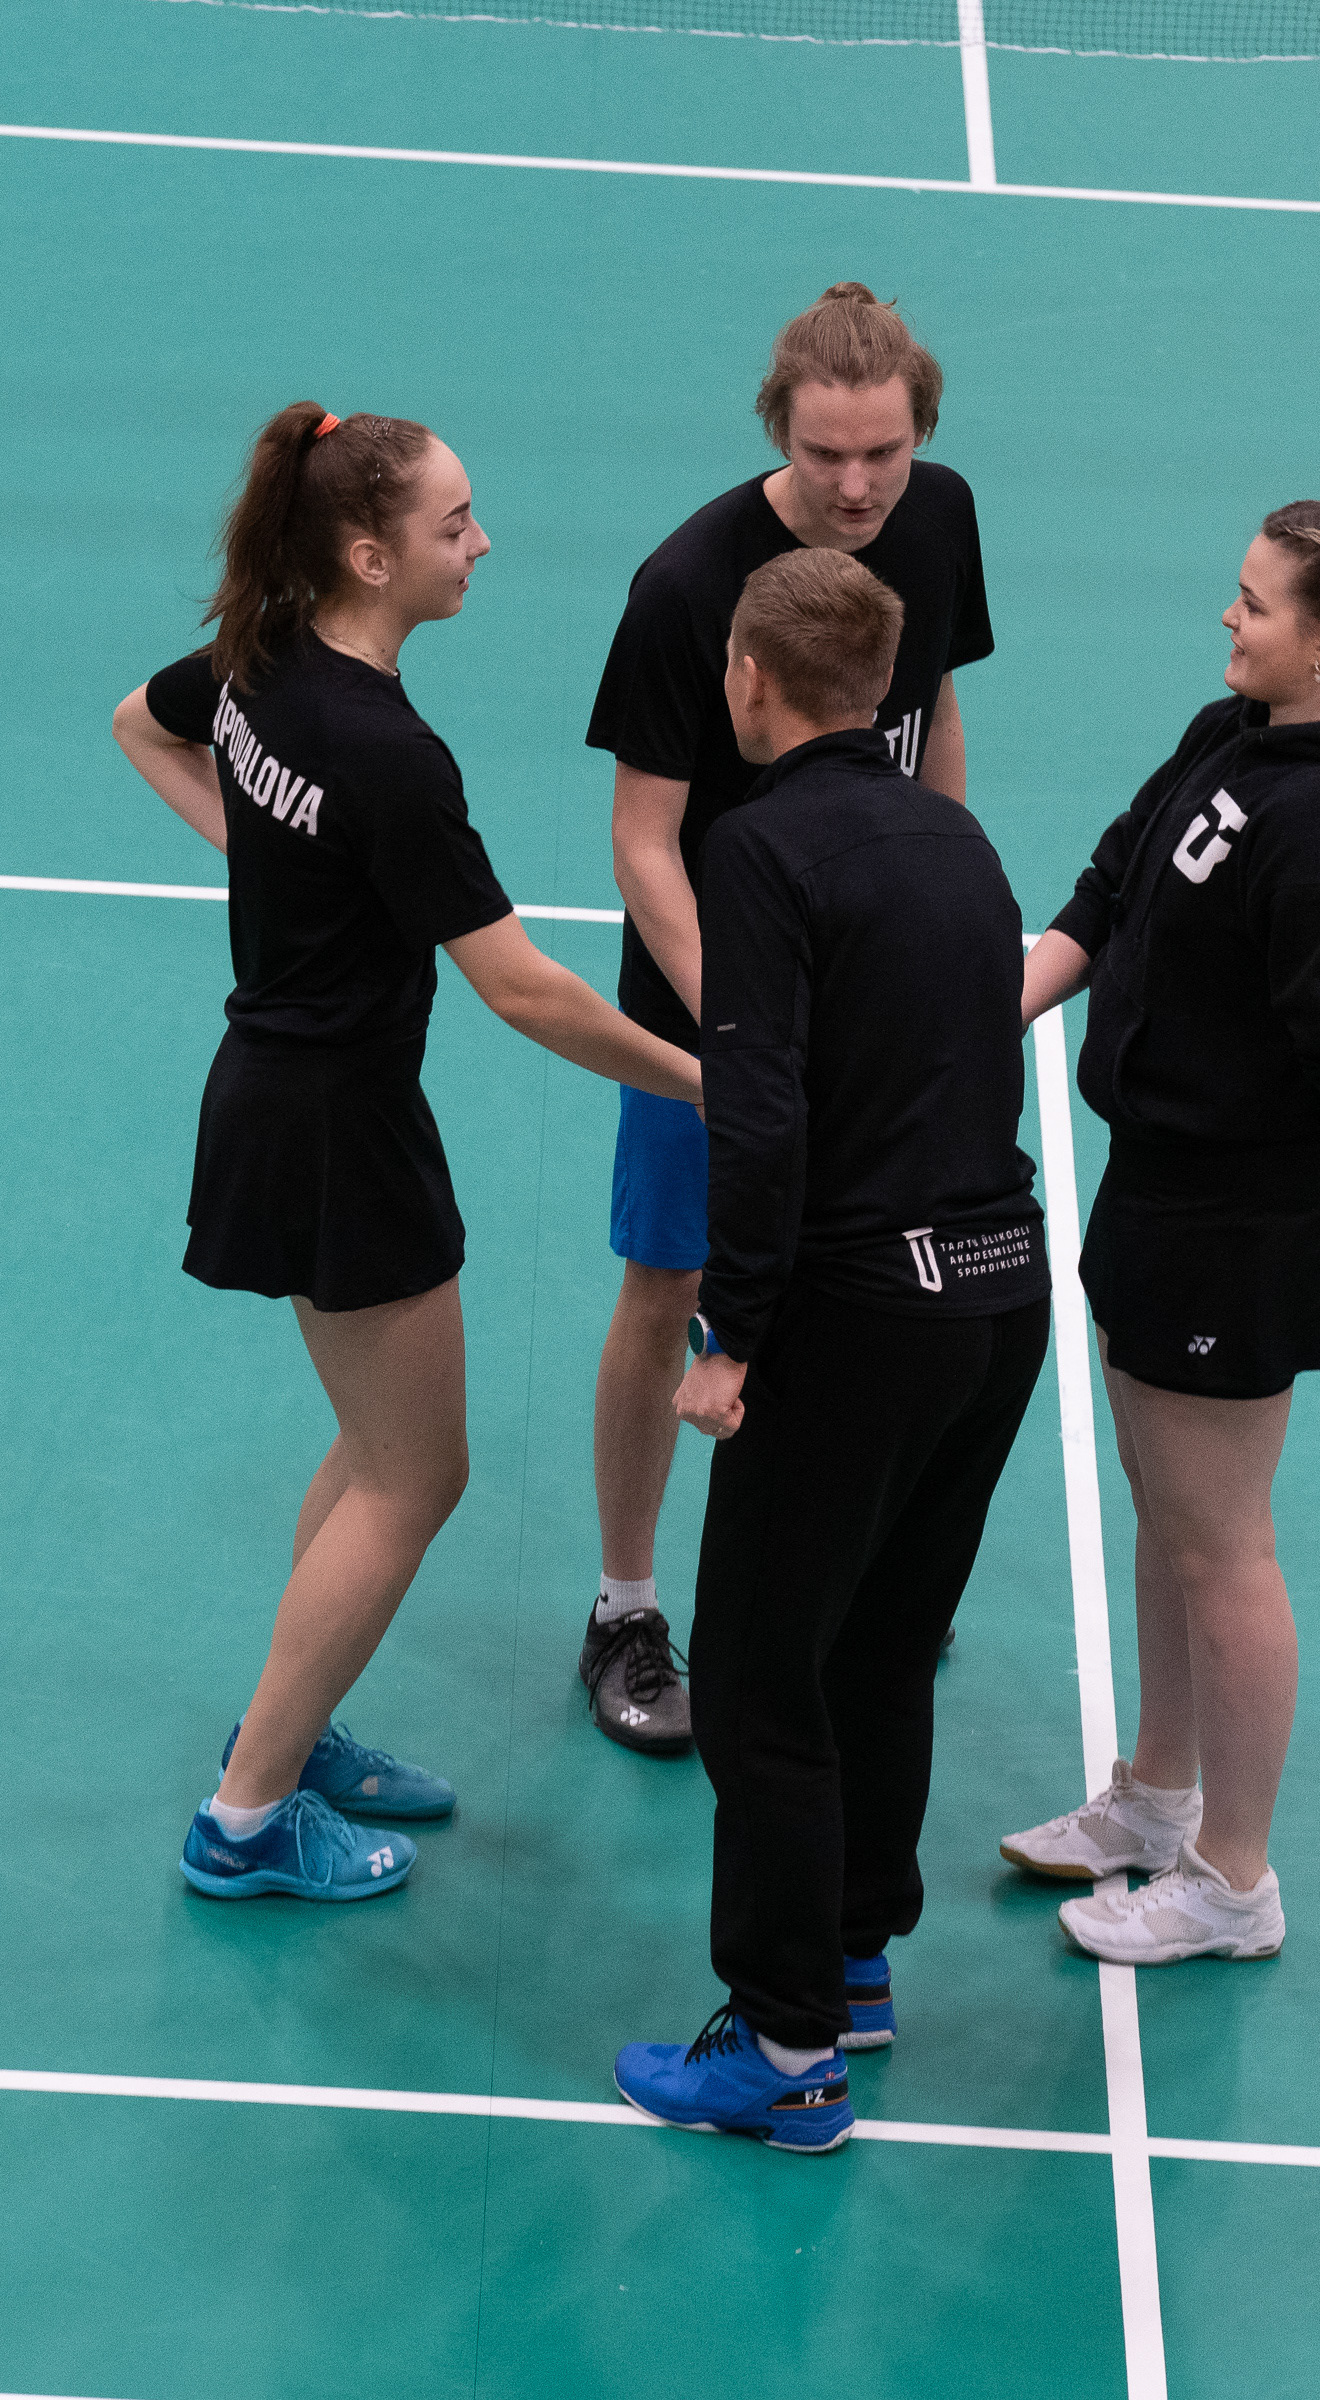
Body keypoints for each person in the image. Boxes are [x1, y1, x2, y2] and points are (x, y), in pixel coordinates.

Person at [113, 402, 701, 1905]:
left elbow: (140, 724)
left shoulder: (258, 658)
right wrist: (710, 1082)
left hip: (276, 1103)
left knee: (374, 1453)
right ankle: (245, 1820)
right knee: (417, 1476)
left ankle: (287, 1735)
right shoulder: (388, 753)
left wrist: (281, 868)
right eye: (454, 523)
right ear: (371, 556)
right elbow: (524, 991)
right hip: (340, 1133)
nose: (482, 542)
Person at [1001, 499, 1320, 1964]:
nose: (1229, 617)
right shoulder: (1235, 736)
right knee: (1167, 1507)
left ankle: (1233, 1880)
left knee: (1223, 1547)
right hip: (1158, 1185)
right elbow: (1115, 879)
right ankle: (1156, 1800)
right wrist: (993, 1005)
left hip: (1239, 1221)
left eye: (1255, 602)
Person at [611, 548, 1051, 2152]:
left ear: (749, 680)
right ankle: (855, 1959)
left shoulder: (756, 847)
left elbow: (761, 1111)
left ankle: (786, 2047)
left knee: (755, 1679)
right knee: (880, 1649)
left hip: (860, 1320)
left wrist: (732, 1333)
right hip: (997, 1300)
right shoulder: (957, 836)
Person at [579, 282, 994, 1753]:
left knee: (854, 1287)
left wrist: (946, 900)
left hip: (873, 1002)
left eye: (884, 452)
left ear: (919, 432)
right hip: (705, 1019)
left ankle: (839, 1569)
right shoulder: (688, 588)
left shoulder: (939, 519)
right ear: (779, 431)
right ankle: (627, 1605)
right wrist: (748, 1034)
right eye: (826, 455)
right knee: (670, 1286)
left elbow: (930, 716)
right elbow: (644, 846)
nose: (859, 486)